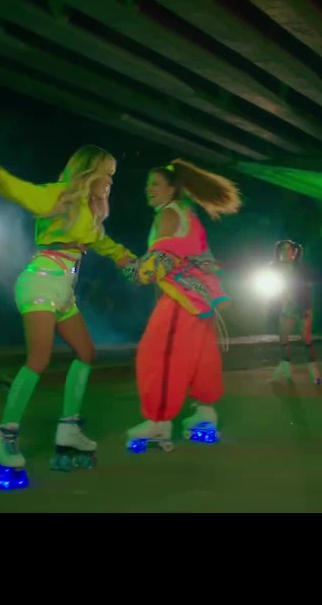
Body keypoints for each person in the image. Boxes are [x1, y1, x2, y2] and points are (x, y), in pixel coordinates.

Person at [0, 145, 136, 488]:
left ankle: (69, 428)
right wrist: (0, 178)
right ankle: (4, 435)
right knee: (39, 358)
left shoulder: (88, 212)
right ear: (89, 171)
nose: (110, 181)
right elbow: (29, 195)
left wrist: (129, 261)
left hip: (63, 291)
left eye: (113, 175)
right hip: (41, 281)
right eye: (107, 173)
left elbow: (103, 243)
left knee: (86, 353)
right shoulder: (60, 194)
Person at [124, 159, 241, 451]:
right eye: (147, 184)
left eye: (155, 184)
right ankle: (204, 416)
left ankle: (159, 423)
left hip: (181, 300)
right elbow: (200, 260)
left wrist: (129, 268)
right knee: (201, 358)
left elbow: (157, 263)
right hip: (201, 301)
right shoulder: (189, 214)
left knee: (157, 356)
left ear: (172, 189)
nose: (149, 189)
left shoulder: (168, 214)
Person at [268, 239, 322, 385]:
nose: (286, 252)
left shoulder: (302, 267)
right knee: (283, 337)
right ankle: (285, 367)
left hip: (302, 306)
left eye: (289, 249)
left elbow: (318, 280)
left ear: (294, 252)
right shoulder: (274, 267)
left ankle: (313, 369)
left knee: (306, 337)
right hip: (286, 307)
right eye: (283, 249)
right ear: (278, 252)